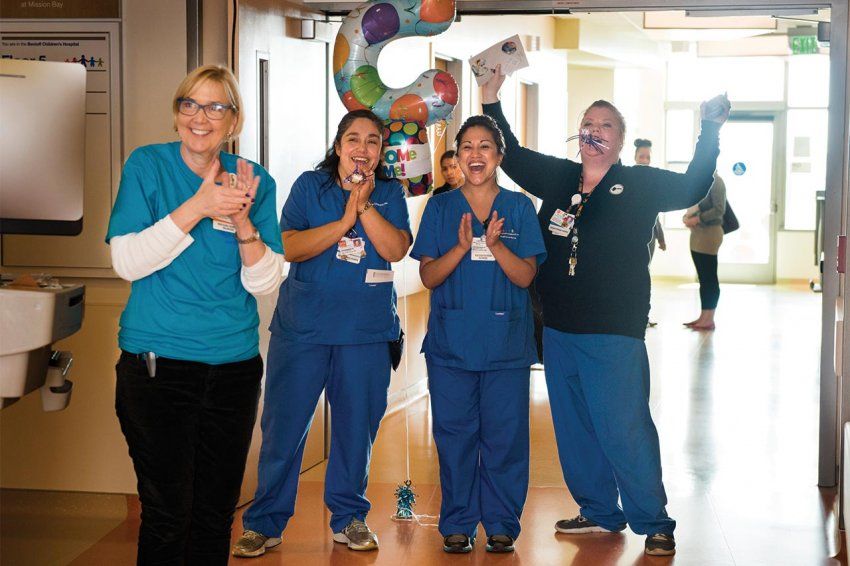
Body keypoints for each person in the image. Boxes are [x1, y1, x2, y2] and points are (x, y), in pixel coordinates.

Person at [482, 64, 728, 557]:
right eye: (588, 125)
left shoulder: (639, 184)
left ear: (620, 140)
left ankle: (653, 520)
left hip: (614, 329)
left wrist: (710, 130)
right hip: (559, 328)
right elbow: (510, 152)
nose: (594, 132)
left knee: (625, 426)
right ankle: (598, 510)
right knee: (573, 428)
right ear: (578, 135)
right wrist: (490, 95)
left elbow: (693, 185)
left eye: (605, 126)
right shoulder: (558, 177)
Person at [106, 64, 284, 566]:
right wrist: (199, 206)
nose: (199, 117)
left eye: (214, 107)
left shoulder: (254, 181)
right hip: (157, 365)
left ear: (233, 120)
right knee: (167, 513)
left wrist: (243, 219)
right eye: (190, 104)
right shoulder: (147, 166)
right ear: (177, 113)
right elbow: (127, 261)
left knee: (214, 514)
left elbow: (265, 283)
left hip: (233, 369)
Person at [233, 109, 412, 558]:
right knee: (284, 428)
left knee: (357, 430)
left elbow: (395, 249)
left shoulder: (390, 192)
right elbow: (288, 246)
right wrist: (343, 221)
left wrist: (364, 205)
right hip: (304, 329)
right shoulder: (309, 187)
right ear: (338, 146)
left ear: (381, 152)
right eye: (354, 139)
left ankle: (349, 518)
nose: (363, 149)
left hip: (366, 332)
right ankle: (264, 522)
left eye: (373, 141)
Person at [411, 116, 546, 554]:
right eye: (467, 146)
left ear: (499, 156)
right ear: (456, 156)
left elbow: (525, 276)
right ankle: (458, 523)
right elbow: (429, 276)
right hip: (452, 345)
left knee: (505, 438)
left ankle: (503, 523)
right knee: (454, 436)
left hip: (505, 345)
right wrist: (462, 246)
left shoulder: (520, 208)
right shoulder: (441, 207)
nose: (475, 155)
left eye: (485, 146)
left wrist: (496, 243)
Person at [683, 175, 727, 330]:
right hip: (698, 234)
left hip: (710, 234)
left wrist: (697, 219)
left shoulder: (716, 182)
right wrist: (687, 218)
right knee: (703, 277)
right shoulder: (701, 180)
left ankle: (709, 319)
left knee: (709, 277)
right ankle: (704, 316)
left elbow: (719, 209)